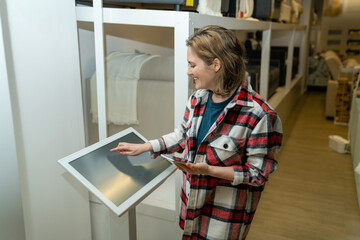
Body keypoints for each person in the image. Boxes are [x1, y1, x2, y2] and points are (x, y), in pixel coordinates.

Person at [110, 25, 283, 240]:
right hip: (192, 206)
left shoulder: (260, 114)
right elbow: (183, 136)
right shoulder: (197, 98)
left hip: (225, 219)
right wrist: (146, 146)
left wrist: (209, 170)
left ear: (216, 65)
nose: (188, 71)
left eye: (193, 65)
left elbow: (257, 174)